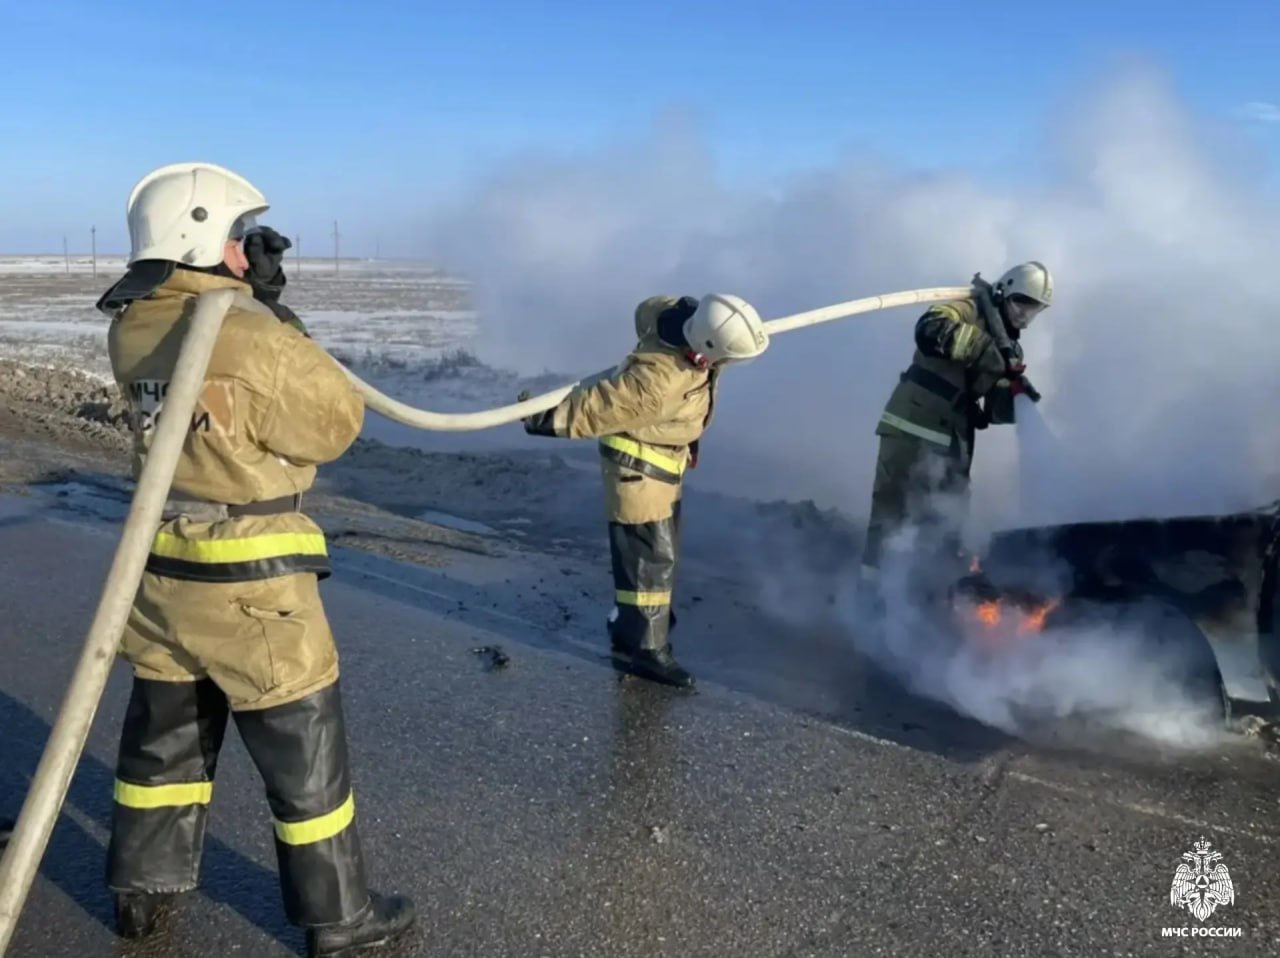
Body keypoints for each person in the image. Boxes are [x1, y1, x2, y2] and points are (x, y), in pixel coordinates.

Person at [94, 161, 414, 956]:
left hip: (163, 574)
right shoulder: (249, 334)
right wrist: (276, 313)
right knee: (304, 762)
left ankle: (140, 892)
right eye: (240, 238)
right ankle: (339, 921)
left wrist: (243, 294)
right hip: (252, 587)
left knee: (162, 742)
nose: (250, 250)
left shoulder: (130, 325)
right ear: (207, 240)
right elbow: (334, 422)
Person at [520, 293, 769, 688]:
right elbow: (597, 409)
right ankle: (648, 651)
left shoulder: (670, 328)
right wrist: (541, 417)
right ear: (703, 349)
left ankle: (630, 628)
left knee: (654, 553)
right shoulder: (657, 382)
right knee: (650, 560)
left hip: (664, 463)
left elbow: (647, 309)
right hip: (640, 470)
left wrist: (680, 309)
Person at [859, 261, 1054, 599]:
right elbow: (929, 329)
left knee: (949, 523)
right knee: (893, 512)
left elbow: (994, 407)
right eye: (1020, 303)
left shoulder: (1010, 346)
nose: (1024, 315)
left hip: (954, 441)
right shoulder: (967, 309)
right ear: (1004, 291)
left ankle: (930, 596)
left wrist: (1017, 393)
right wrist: (983, 349)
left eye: (1033, 310)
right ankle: (870, 591)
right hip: (912, 424)